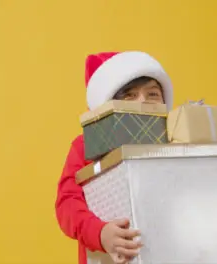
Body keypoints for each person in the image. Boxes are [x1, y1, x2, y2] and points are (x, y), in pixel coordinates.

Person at [55, 51, 174, 264]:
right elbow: (67, 204)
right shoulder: (85, 146)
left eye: (153, 94)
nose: (143, 102)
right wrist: (100, 233)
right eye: (130, 95)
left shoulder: (176, 138)